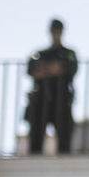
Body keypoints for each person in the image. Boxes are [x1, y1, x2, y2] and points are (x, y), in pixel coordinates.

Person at [26, 19, 79, 154]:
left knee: (64, 139)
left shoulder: (68, 53)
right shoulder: (40, 54)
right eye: (54, 30)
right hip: (41, 99)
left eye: (58, 31)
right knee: (36, 137)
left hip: (61, 99)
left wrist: (47, 70)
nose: (56, 34)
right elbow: (32, 70)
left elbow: (69, 68)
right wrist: (53, 69)